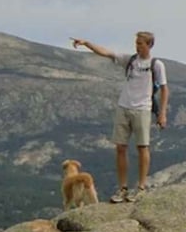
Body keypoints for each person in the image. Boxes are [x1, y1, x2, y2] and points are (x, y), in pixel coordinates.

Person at [70, 31, 169, 202]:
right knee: (120, 148)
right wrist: (87, 43)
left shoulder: (156, 65)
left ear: (149, 45)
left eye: (140, 44)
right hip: (124, 107)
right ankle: (122, 188)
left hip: (143, 108)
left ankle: (141, 187)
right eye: (136, 43)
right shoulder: (130, 60)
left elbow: (165, 89)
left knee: (142, 147)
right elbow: (106, 53)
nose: (137, 46)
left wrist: (162, 113)